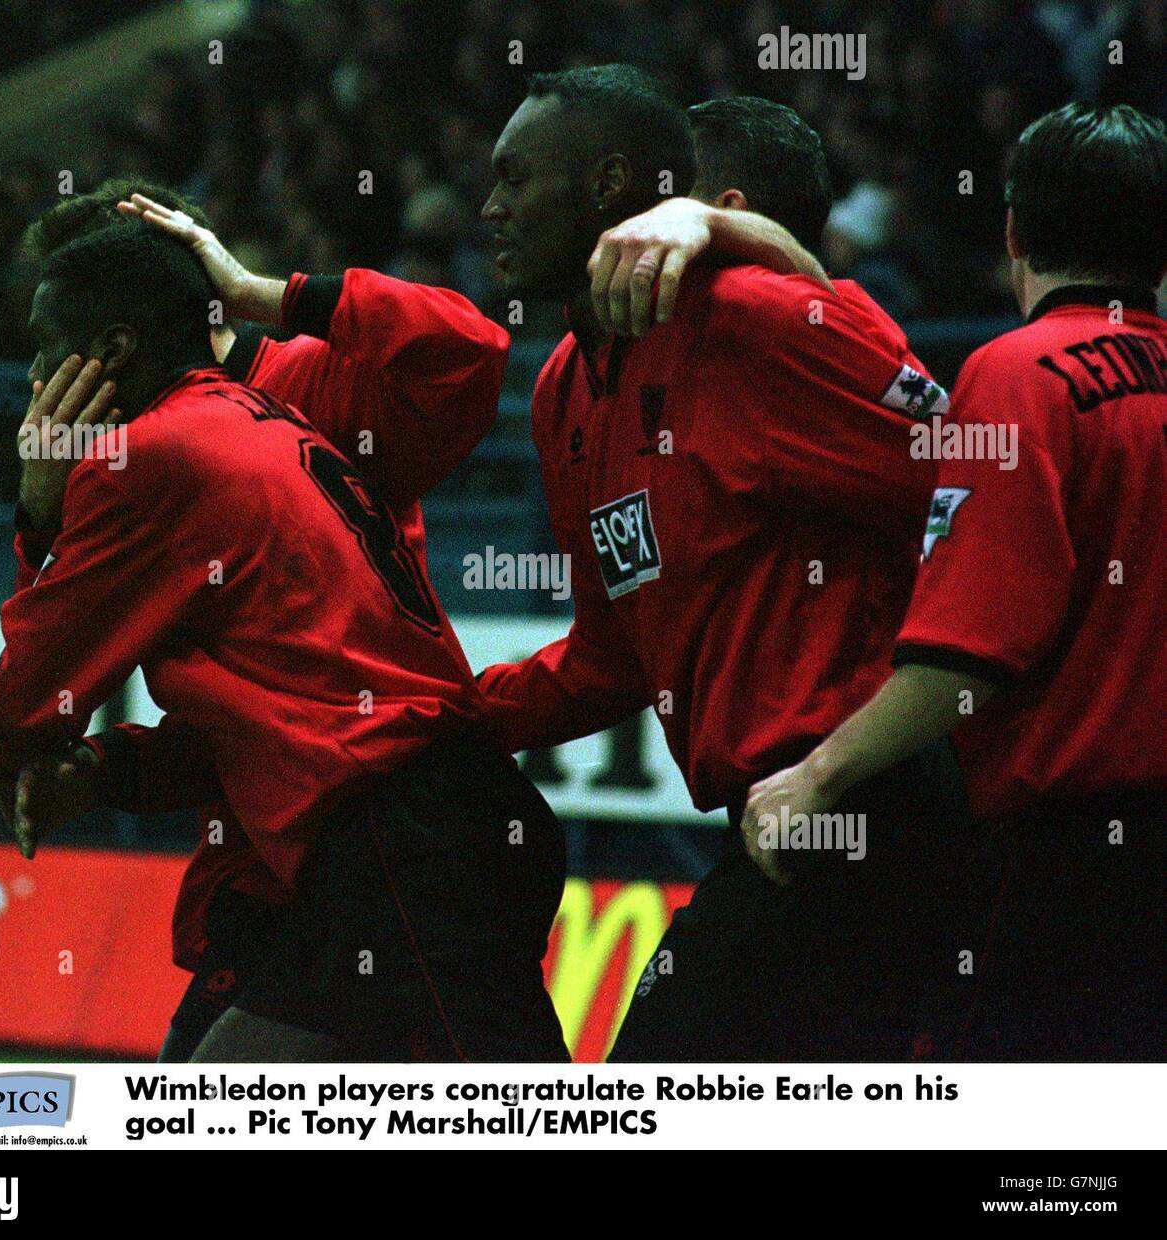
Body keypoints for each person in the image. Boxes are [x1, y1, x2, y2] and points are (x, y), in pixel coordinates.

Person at [0, 219, 569, 1063]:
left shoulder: (146, 457)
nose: (32, 378)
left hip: (401, 845)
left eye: (43, 349)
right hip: (420, 837)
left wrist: (38, 512)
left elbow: (30, 699)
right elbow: (264, 721)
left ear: (110, 346)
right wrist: (110, 772)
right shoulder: (268, 417)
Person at [478, 72, 959, 1060]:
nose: (490, 206)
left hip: (872, 803)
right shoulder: (565, 384)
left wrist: (780, 260)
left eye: (516, 177)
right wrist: (433, 718)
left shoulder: (751, 319)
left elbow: (976, 482)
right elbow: (611, 659)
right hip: (769, 822)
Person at [740, 102, 1167, 1060]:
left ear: (1012, 229)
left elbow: (970, 654)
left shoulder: (1020, 374)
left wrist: (815, 776)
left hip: (1066, 871)